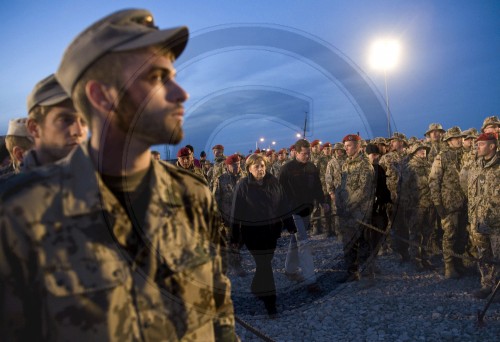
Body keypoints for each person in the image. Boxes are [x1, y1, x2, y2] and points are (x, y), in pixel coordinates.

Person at [0, 9, 237, 341]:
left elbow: (219, 310)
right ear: (101, 96)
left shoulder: (191, 195)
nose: (181, 94)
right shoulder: (20, 213)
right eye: (157, 78)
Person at [230, 154, 292, 317]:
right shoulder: (243, 186)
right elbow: (236, 213)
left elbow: (283, 204)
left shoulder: (274, 182)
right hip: (252, 234)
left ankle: (257, 288)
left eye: (262, 165)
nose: (260, 169)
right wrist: (234, 238)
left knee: (265, 263)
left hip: (272, 232)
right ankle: (271, 304)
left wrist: (291, 226)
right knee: (265, 265)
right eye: (256, 166)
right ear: (249, 168)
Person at [279, 139, 328, 292]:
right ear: (296, 152)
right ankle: (311, 281)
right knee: (304, 244)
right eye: (304, 154)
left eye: (309, 154)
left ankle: (290, 270)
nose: (307, 156)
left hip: (307, 210)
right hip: (293, 211)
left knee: (296, 241)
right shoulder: (286, 169)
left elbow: (317, 187)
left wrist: (322, 201)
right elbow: (279, 192)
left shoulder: (312, 167)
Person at [461, 132, 499, 299]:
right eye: (477, 144)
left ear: (492, 146)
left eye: (482, 144)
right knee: (483, 256)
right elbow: (466, 185)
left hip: (497, 222)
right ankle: (486, 286)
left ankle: (497, 289)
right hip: (478, 220)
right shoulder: (475, 165)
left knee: (498, 257)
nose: (478, 147)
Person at [23, 74, 88, 171]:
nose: (79, 131)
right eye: (66, 120)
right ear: (34, 128)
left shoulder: (104, 179)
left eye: (84, 120)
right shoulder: (13, 186)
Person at [429, 126, 468, 279]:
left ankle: (459, 262)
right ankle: (449, 266)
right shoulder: (442, 157)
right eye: (456, 138)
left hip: (464, 203)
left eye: (460, 137)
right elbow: (434, 181)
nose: (460, 140)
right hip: (449, 204)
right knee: (449, 235)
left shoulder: (466, 155)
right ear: (449, 141)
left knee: (462, 235)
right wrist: (438, 203)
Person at [335, 135, 375, 282]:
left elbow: (363, 190)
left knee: (364, 244)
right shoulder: (346, 164)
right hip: (346, 213)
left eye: (349, 145)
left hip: (360, 212)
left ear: (358, 146)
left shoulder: (365, 165)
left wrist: (348, 206)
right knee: (348, 243)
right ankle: (351, 272)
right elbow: (340, 186)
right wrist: (339, 203)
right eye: (345, 146)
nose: (345, 148)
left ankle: (367, 276)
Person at [403, 143, 436, 271]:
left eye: (424, 149)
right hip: (416, 206)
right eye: (419, 150)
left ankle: (426, 258)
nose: (423, 152)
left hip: (430, 204)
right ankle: (415, 260)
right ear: (414, 152)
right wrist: (407, 207)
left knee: (428, 233)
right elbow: (404, 189)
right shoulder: (410, 167)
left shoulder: (429, 165)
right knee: (415, 233)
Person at [214, 154, 247, 276]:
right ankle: (236, 266)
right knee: (232, 241)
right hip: (227, 216)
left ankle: (231, 261)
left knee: (241, 240)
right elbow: (216, 199)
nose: (236, 167)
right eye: (233, 165)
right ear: (227, 166)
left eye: (238, 165)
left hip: (243, 216)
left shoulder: (245, 177)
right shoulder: (221, 179)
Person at [365, 143, 391, 275]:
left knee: (377, 237)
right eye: (373, 155)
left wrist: (386, 199)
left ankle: (373, 263)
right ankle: (367, 269)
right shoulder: (363, 170)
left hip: (379, 210)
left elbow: (384, 188)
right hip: (366, 211)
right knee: (367, 239)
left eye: (377, 155)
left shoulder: (379, 169)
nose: (375, 157)